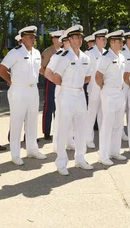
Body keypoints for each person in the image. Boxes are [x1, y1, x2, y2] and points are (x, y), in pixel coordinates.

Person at [0, 25, 47, 166]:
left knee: (32, 121)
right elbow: (1, 69)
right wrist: (10, 80)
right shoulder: (16, 52)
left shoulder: (37, 53)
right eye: (30, 37)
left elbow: (40, 70)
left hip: (33, 90)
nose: (33, 39)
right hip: (18, 90)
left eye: (34, 37)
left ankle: (32, 149)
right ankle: (15, 154)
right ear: (23, 38)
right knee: (17, 122)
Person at [51, 25, 94, 175]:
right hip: (67, 93)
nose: (79, 40)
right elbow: (56, 77)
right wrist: (68, 86)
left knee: (82, 128)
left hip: (80, 94)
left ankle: (80, 158)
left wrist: (78, 84)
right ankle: (61, 162)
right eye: (76, 37)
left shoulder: (85, 58)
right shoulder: (65, 56)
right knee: (64, 128)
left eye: (80, 37)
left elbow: (88, 76)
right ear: (69, 39)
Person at [96, 30, 127, 166]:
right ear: (112, 42)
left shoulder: (121, 57)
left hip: (120, 92)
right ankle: (103, 155)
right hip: (109, 92)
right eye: (119, 41)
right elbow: (98, 76)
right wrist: (105, 88)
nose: (121, 44)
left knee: (118, 124)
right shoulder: (106, 57)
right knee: (107, 124)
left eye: (122, 41)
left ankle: (114, 151)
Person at [85, 28, 107, 148]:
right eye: (102, 39)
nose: (104, 41)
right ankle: (88, 139)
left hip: (103, 88)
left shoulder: (105, 52)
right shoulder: (90, 53)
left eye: (105, 39)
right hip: (93, 87)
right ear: (97, 40)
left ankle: (103, 138)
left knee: (102, 114)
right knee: (91, 114)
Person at [40, 30, 64, 141]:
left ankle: (59, 130)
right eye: (59, 38)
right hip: (50, 81)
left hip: (61, 81)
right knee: (49, 105)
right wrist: (50, 77)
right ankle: (47, 131)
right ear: (54, 39)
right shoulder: (48, 52)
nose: (61, 40)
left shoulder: (65, 51)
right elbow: (41, 68)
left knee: (60, 106)